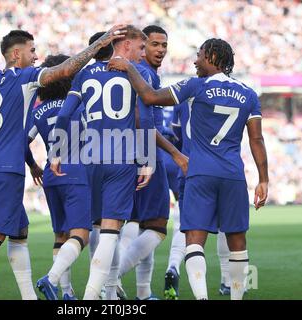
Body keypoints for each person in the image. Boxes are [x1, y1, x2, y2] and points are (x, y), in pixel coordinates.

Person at [0, 26, 127, 300]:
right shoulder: (26, 78)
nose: (36, 57)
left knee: (20, 231)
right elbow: (64, 70)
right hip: (8, 168)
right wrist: (97, 47)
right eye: (32, 51)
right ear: (15, 54)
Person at [108, 38, 269, 300]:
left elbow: (148, 96)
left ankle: (202, 298)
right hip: (233, 175)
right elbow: (256, 140)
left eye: (200, 55)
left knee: (195, 240)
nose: (195, 61)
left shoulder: (196, 86)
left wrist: (128, 67)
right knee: (237, 242)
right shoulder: (248, 93)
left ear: (213, 58)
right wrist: (264, 179)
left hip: (200, 172)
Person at [49, 25, 187, 300]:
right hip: (122, 157)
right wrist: (147, 160)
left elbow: (64, 116)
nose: (143, 53)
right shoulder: (141, 73)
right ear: (124, 46)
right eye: (139, 48)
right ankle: (96, 294)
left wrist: (57, 151)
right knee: (112, 232)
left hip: (90, 158)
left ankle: (102, 291)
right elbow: (145, 120)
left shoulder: (85, 73)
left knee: (99, 227)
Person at [116, 25, 171, 301]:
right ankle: (111, 280)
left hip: (128, 152)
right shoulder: (145, 74)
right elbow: (140, 117)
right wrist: (172, 153)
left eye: (164, 45)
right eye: (154, 45)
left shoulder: (134, 72)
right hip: (146, 154)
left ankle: (143, 292)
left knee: (140, 222)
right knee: (158, 226)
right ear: (142, 47)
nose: (160, 50)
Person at [29, 54, 90, 300]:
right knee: (80, 234)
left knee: (60, 236)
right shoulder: (78, 104)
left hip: (50, 176)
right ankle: (51, 280)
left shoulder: (38, 111)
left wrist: (32, 165)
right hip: (76, 172)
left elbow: (25, 141)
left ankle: (66, 292)